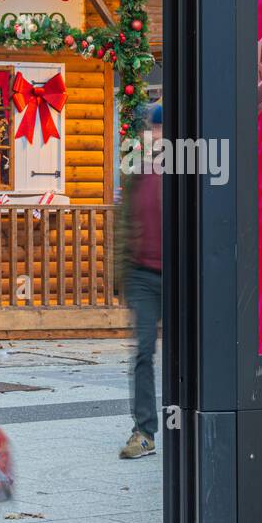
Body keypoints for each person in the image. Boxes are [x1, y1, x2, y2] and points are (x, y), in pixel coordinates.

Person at [119, 104, 162, 458]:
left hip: (182, 278)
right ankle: (144, 430)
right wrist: (124, 274)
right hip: (143, 275)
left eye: (162, 128)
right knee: (143, 353)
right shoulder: (137, 171)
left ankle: (186, 421)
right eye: (153, 128)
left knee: (188, 357)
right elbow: (124, 223)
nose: (156, 134)